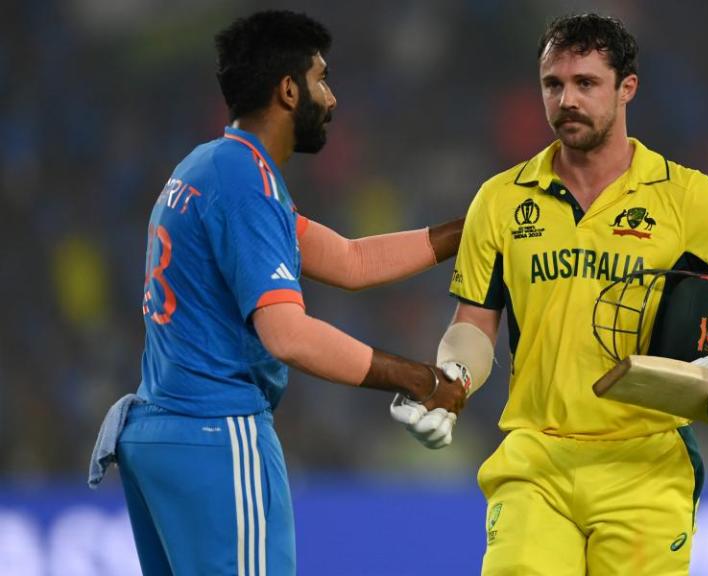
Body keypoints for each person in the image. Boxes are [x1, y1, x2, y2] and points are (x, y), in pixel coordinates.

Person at [390, 13, 708, 576]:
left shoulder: (686, 197)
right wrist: (455, 379)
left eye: (585, 84)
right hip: (535, 461)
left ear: (626, 88)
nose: (567, 99)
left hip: (646, 464)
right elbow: (474, 323)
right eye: (553, 84)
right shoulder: (499, 200)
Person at [87, 10, 467, 575]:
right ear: (289, 90)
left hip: (161, 434)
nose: (332, 98)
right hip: (216, 433)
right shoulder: (248, 183)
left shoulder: (209, 168)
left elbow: (350, 259)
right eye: (322, 79)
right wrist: (420, 378)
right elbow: (287, 336)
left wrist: (472, 230)